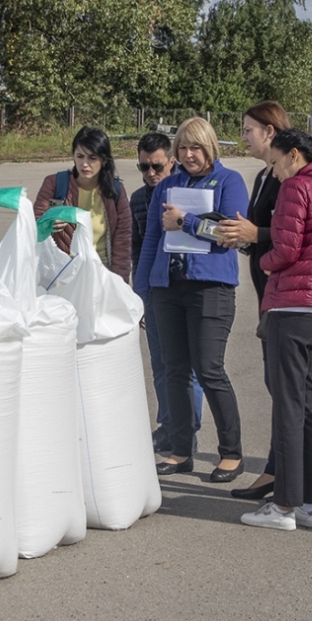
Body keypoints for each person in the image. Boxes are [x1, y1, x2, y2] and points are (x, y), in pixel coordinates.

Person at [238, 129, 312, 531]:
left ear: (294, 155)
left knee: (287, 408)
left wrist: (263, 260)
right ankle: (308, 503)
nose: (274, 170)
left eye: (275, 161)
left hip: (291, 308)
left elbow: (285, 249)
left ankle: (284, 505)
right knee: (306, 409)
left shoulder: (296, 187)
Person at [133, 116, 249, 482]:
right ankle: (181, 450)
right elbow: (151, 239)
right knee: (174, 370)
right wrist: (142, 293)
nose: (187, 154)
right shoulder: (168, 185)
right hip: (168, 288)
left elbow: (232, 234)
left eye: (194, 147)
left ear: (209, 146)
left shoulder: (230, 182)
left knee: (209, 370)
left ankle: (231, 453)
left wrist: (186, 222)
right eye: (182, 148)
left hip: (211, 288)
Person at [212, 101, 291, 501]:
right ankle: (278, 472)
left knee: (286, 391)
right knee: (275, 385)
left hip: (286, 299)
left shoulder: (288, 179)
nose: (243, 137)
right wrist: (240, 238)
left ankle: (282, 476)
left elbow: (285, 235)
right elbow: (260, 232)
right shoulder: (263, 176)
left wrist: (253, 234)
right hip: (267, 295)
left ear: (269, 132)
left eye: (247, 130)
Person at [129, 132, 203, 454]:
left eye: (157, 166)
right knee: (161, 363)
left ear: (172, 161)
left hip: (187, 287)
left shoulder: (188, 193)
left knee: (190, 366)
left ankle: (187, 430)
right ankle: (169, 425)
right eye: (143, 167)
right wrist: (138, 295)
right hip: (155, 289)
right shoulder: (138, 199)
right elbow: (136, 247)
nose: (150, 173)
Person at [34, 126, 133, 282]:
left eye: (92, 158)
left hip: (101, 276)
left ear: (104, 160)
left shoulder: (116, 192)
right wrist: (48, 223)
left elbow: (123, 242)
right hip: (62, 277)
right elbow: (35, 224)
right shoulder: (55, 184)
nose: (84, 164)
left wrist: (119, 283)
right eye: (80, 156)